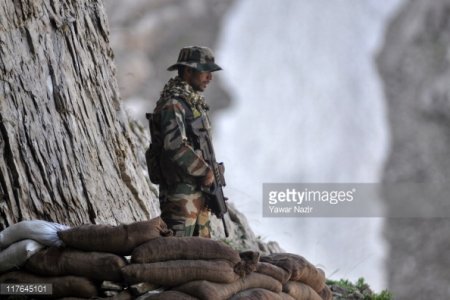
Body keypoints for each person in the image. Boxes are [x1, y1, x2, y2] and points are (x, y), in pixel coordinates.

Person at [152, 46, 222, 238]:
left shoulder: (193, 103)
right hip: (180, 196)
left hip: (199, 193)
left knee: (203, 255)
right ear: (188, 70)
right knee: (177, 252)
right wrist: (205, 170)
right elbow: (174, 146)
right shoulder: (173, 104)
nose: (210, 78)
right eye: (205, 72)